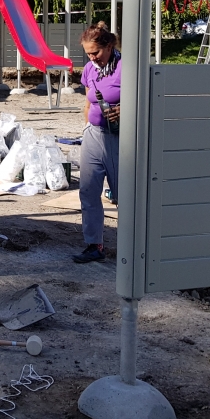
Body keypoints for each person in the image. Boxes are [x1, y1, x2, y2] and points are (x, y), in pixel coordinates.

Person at [72, 22, 121, 264]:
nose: (92, 58)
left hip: (119, 139)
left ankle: (133, 247)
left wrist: (125, 110)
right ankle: (94, 245)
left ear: (109, 46)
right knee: (88, 191)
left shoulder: (127, 68)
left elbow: (146, 100)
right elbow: (88, 101)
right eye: (88, 53)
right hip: (93, 135)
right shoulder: (90, 69)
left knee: (124, 194)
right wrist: (86, 128)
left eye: (96, 52)